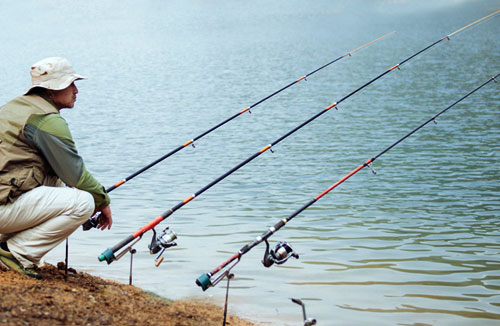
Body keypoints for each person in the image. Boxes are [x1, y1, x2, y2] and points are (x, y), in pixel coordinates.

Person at [0, 57, 112, 279]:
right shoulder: (46, 119)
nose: (76, 90)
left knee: (57, 182)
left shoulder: (13, 107)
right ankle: (16, 254)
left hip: (5, 200)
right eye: (71, 84)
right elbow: (76, 175)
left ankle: (7, 243)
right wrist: (102, 201)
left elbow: (63, 176)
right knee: (83, 202)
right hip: (3, 207)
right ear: (53, 89)